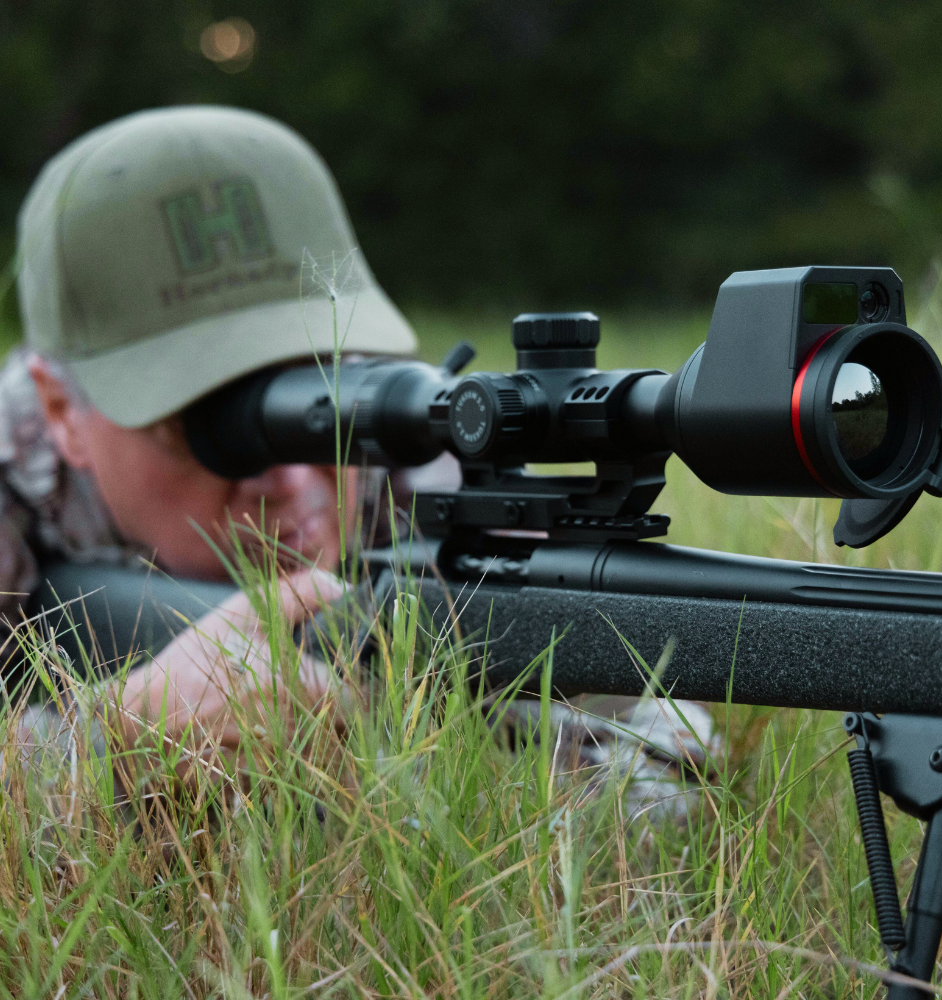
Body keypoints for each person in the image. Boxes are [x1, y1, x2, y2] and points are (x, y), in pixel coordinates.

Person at [6, 105, 715, 808]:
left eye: (321, 404)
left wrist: (407, 773)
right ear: (64, 409)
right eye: (214, 427)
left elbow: (666, 753)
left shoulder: (421, 471)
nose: (290, 479)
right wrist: (113, 743)